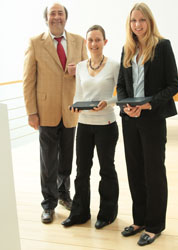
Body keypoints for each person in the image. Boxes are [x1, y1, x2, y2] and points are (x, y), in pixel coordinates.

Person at [117, 2, 178, 246]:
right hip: (130, 120)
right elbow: (121, 85)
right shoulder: (127, 49)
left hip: (152, 119)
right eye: (134, 21)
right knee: (135, 171)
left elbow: (173, 85)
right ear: (129, 24)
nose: (138, 25)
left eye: (142, 20)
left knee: (154, 172)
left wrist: (148, 104)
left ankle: (154, 225)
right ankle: (139, 219)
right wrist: (125, 106)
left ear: (149, 21)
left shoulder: (162, 46)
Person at [23, 2, 88, 224]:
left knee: (67, 158)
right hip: (46, 110)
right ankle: (48, 204)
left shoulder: (79, 41)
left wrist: (78, 69)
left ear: (66, 18)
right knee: (48, 160)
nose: (57, 17)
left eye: (60, 13)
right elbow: (28, 80)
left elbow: (89, 74)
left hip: (71, 110)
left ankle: (63, 194)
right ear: (46, 18)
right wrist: (32, 112)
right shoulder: (35, 43)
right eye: (53, 13)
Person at [61, 25, 119, 229]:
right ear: (87, 43)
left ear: (105, 42)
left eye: (98, 40)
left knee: (107, 170)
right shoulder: (81, 66)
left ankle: (107, 213)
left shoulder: (114, 65)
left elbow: (122, 93)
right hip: (84, 125)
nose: (94, 44)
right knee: (81, 171)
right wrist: (75, 107)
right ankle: (80, 213)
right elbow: (78, 95)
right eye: (90, 40)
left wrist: (108, 102)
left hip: (106, 124)